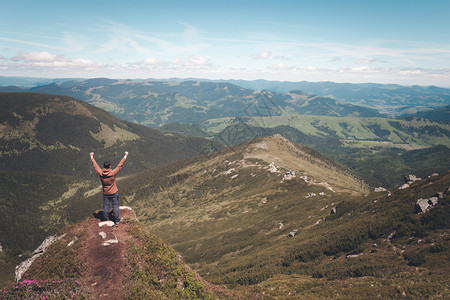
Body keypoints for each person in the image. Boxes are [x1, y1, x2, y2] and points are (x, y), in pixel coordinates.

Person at [90, 151, 129, 224]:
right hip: (114, 192)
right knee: (115, 206)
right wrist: (125, 155)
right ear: (110, 166)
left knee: (106, 207)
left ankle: (106, 219)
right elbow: (120, 165)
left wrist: (91, 156)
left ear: (104, 166)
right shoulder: (113, 173)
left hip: (106, 193)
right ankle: (117, 220)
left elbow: (95, 165)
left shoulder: (100, 173)